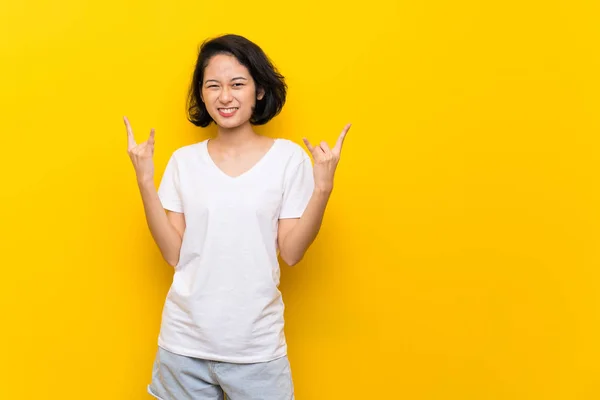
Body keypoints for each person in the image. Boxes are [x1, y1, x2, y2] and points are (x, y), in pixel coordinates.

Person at [124, 34, 351, 400]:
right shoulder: (184, 161)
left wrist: (322, 189)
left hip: (256, 350)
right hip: (184, 346)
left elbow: (291, 253)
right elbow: (173, 254)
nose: (224, 96)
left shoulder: (288, 159)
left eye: (237, 84)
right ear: (202, 94)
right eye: (212, 85)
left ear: (259, 91)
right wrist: (145, 182)